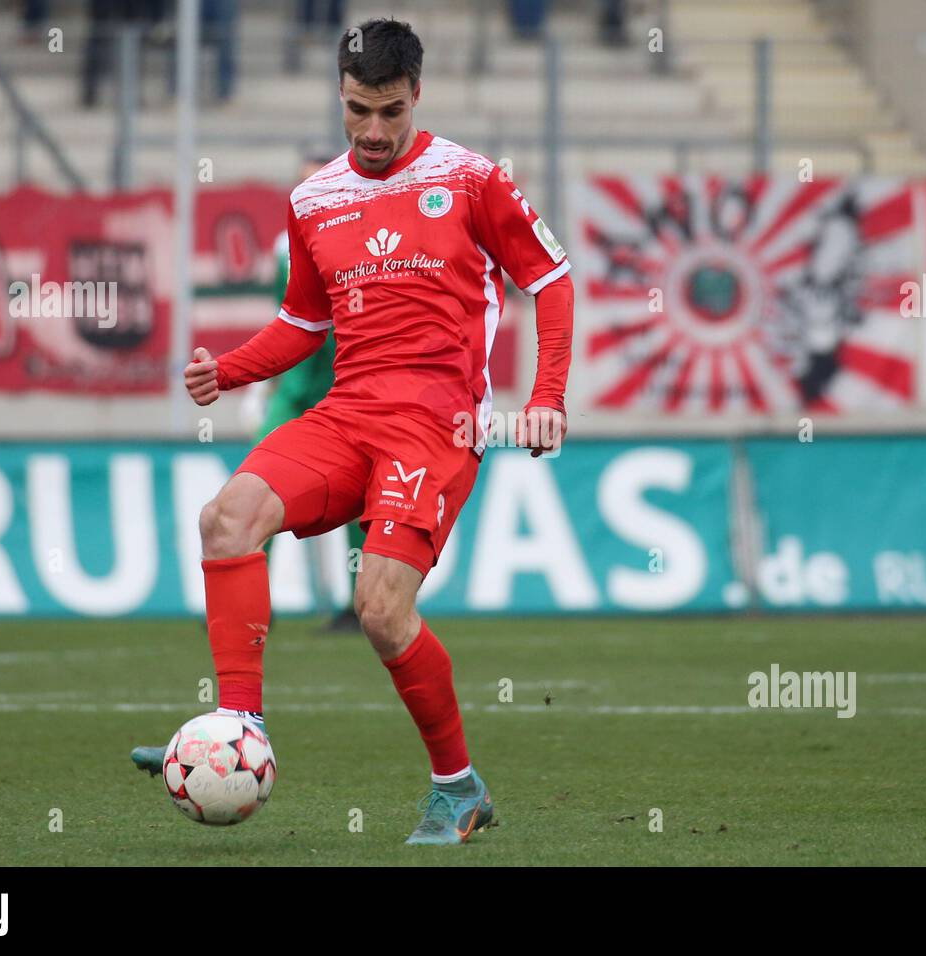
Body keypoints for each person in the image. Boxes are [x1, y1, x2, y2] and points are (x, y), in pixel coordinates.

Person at [131, 16, 574, 845]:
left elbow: (549, 278)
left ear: (417, 96)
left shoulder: (472, 179)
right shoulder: (314, 199)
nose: (372, 131)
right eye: (357, 111)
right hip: (347, 411)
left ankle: (459, 789)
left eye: (390, 112)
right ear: (340, 94)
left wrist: (546, 391)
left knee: (378, 608)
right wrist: (225, 371)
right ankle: (239, 731)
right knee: (227, 519)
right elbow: (302, 323)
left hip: (435, 425)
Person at [242, 153, 364, 633]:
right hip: (294, 390)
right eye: (300, 186)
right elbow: (286, 320)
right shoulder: (282, 247)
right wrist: (262, 389)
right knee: (256, 482)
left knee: (361, 502)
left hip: (347, 388)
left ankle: (359, 604)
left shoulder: (363, 239)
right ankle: (253, 604)